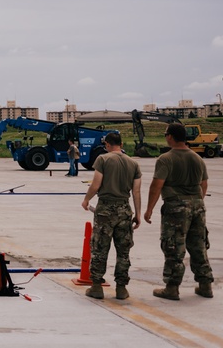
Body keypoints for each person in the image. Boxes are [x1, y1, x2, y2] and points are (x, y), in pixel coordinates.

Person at [144, 123, 214, 300]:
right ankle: (205, 285)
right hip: (197, 205)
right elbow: (204, 184)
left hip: (176, 206)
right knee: (198, 246)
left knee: (174, 246)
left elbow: (156, 185)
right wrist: (196, 203)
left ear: (170, 137)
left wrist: (149, 209)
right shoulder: (198, 158)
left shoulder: (165, 159)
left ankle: (172, 287)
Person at [80, 132, 142, 300]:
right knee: (123, 251)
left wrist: (86, 199)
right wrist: (138, 214)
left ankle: (97, 286)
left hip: (105, 209)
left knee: (100, 248)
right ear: (121, 144)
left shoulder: (103, 159)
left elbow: (96, 184)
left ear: (107, 144)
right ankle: (121, 288)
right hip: (124, 208)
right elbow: (136, 192)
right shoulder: (133, 164)